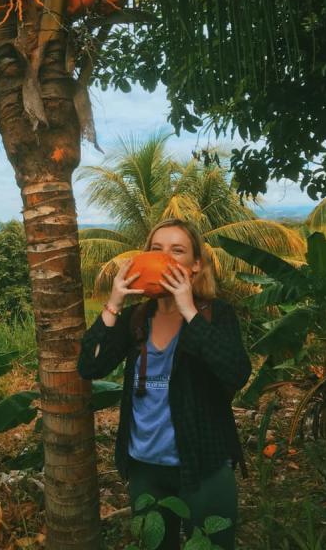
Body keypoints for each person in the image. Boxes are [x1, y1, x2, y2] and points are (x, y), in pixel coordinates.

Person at [77, 218, 252, 550]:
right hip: (145, 467)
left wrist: (189, 310)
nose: (163, 257)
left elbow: (236, 371)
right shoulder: (135, 319)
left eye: (177, 250)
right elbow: (90, 365)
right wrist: (114, 303)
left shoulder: (217, 314)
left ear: (195, 265)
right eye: (156, 249)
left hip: (205, 462)